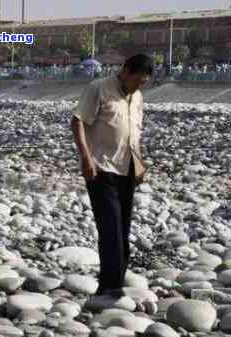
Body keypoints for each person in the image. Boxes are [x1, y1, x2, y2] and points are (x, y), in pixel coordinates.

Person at [71, 54, 152, 297]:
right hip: (100, 168)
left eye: (143, 83)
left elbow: (132, 134)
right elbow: (78, 122)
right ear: (125, 71)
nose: (138, 86)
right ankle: (110, 286)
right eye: (137, 80)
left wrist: (140, 164)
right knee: (110, 228)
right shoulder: (99, 88)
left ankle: (116, 280)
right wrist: (86, 158)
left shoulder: (137, 96)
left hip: (127, 170)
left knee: (123, 227)